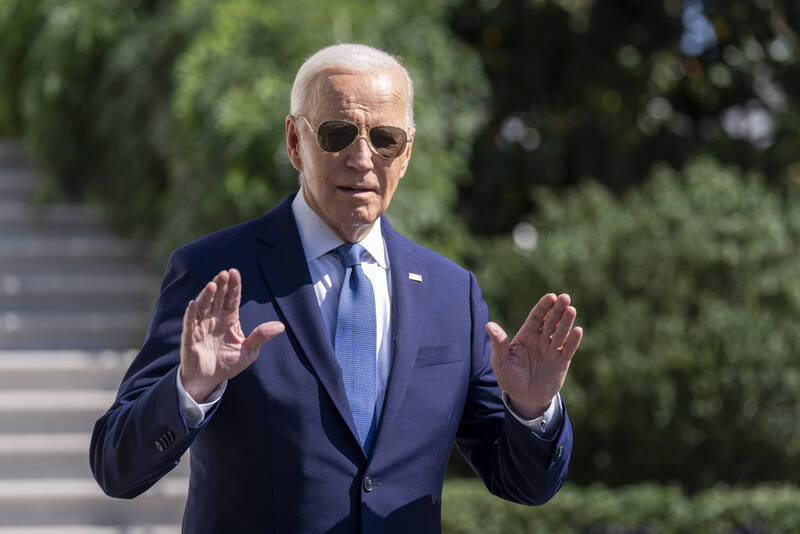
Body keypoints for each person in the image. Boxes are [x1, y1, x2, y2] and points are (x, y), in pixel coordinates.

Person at [90, 43, 583, 533]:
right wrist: (191, 388)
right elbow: (117, 467)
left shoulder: (451, 293)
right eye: (338, 134)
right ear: (294, 143)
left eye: (385, 138)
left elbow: (523, 483)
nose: (361, 158)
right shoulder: (213, 271)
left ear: (406, 153)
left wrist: (532, 410)